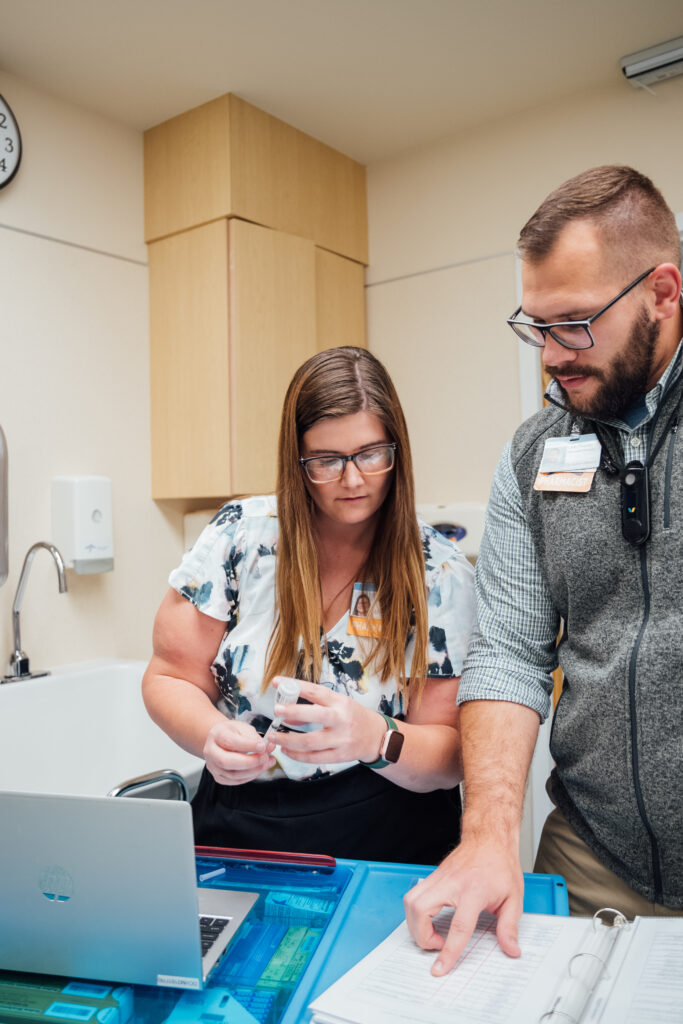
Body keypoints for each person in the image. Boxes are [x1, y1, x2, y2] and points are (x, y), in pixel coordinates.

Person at [405, 165, 683, 974]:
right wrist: (488, 837)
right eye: (534, 327)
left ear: (661, 292)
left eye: (573, 324)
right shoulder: (535, 450)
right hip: (592, 852)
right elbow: (510, 650)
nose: (550, 356)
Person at [143, 346, 476, 864]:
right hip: (239, 821)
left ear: (397, 450)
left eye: (371, 454)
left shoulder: (441, 572)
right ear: (296, 460)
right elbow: (169, 678)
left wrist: (376, 736)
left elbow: (452, 756)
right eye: (326, 460)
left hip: (387, 830)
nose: (352, 480)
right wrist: (213, 736)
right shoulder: (239, 539)